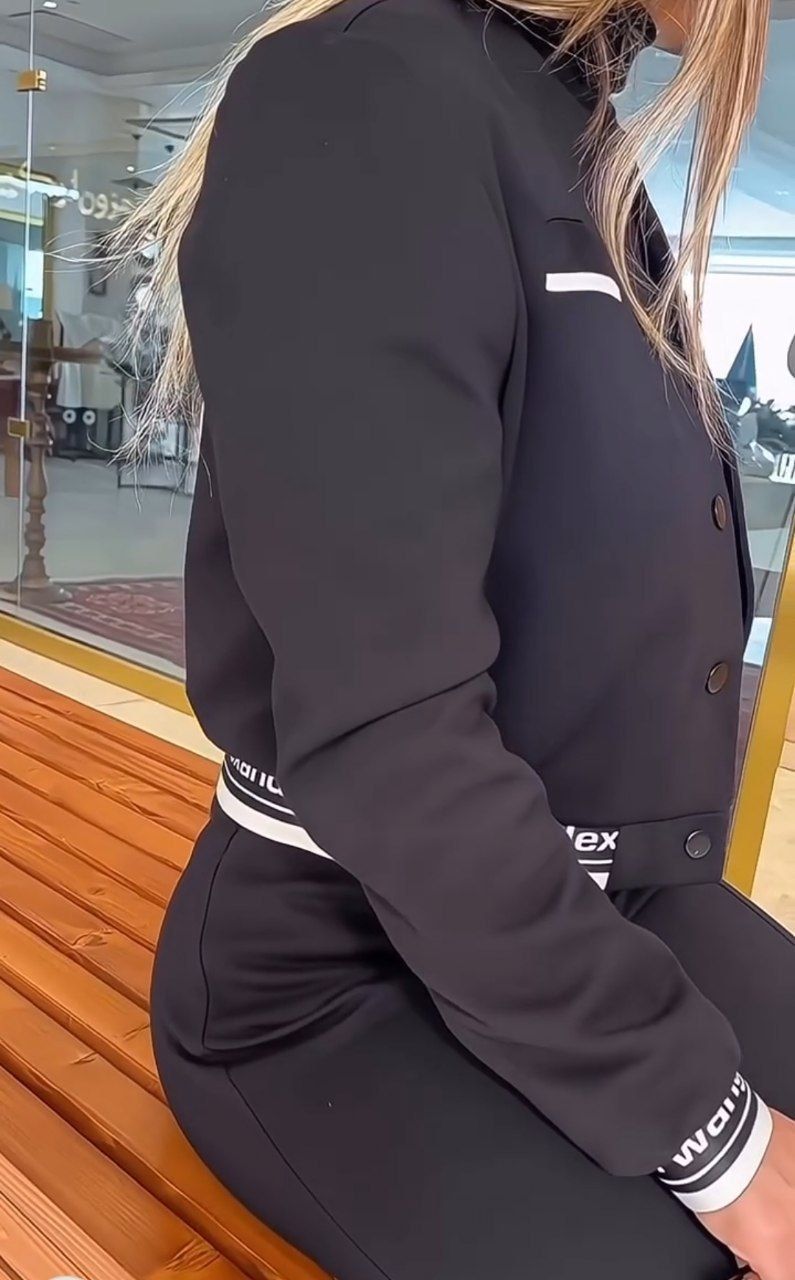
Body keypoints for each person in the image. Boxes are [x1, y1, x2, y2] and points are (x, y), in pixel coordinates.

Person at [121, 0, 795, 1275]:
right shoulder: (360, 93)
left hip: (609, 903)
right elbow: (391, 741)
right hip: (334, 972)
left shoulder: (569, 132)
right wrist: (723, 1142)